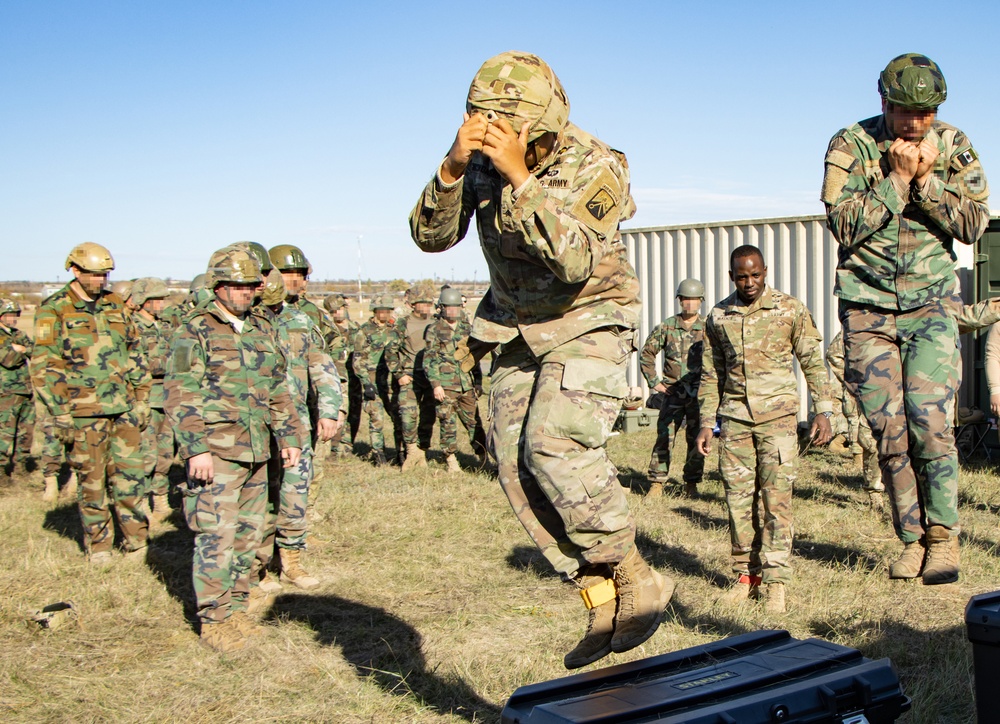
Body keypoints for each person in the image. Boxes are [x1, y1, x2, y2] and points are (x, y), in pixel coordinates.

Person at [409, 51, 673, 669]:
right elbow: (431, 237)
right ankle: (600, 592)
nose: (505, 135)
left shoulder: (596, 163)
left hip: (589, 318)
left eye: (520, 126)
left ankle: (635, 573)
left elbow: (575, 260)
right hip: (514, 326)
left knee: (553, 446)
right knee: (515, 466)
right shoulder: (473, 163)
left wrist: (520, 178)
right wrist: (450, 170)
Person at [822, 53, 990, 585]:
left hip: (931, 304)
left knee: (931, 422)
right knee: (889, 430)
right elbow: (843, 225)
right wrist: (895, 180)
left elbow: (973, 225)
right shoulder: (850, 144)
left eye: (926, 113)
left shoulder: (955, 147)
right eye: (904, 112)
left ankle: (944, 538)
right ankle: (911, 539)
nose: (915, 124)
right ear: (884, 103)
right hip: (867, 305)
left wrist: (926, 184)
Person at [164, 247, 304, 652]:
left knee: (249, 536)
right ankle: (214, 619)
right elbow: (180, 394)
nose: (249, 292)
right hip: (216, 454)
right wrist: (195, 450)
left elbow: (278, 387)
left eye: (252, 285)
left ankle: (238, 609)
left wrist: (289, 437)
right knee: (216, 538)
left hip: (257, 450)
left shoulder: (259, 328)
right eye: (240, 286)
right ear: (218, 286)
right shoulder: (193, 331)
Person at [695, 245, 833, 614]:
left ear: (765, 271)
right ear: (731, 276)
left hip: (778, 421)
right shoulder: (719, 316)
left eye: (756, 274)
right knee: (738, 502)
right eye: (742, 276)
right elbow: (711, 375)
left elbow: (813, 364)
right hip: (736, 420)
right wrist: (707, 423)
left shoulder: (789, 309)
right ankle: (745, 576)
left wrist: (824, 411)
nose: (750, 282)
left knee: (776, 501)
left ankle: (775, 581)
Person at [30, 242, 151, 563]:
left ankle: (136, 542)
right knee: (92, 482)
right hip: (83, 414)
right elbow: (45, 367)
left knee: (130, 479)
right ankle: (99, 546)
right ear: (75, 270)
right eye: (95, 275)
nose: (101, 281)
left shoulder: (115, 304)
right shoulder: (54, 309)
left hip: (124, 409)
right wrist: (61, 414)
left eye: (105, 275)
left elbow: (135, 351)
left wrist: (142, 398)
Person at [252, 270, 342, 593]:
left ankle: (290, 562)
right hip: (258, 428)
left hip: (297, 426)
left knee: (294, 496)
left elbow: (323, 367)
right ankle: (258, 569)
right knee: (261, 498)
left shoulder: (300, 321)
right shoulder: (248, 324)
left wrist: (330, 410)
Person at [639, 278, 706, 498]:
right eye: (685, 299)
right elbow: (647, 353)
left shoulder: (707, 328)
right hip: (672, 393)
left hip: (697, 394)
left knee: (696, 438)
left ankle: (691, 483)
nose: (689, 304)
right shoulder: (667, 327)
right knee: (664, 437)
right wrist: (654, 382)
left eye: (693, 299)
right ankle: (657, 483)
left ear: (700, 301)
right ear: (679, 300)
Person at [423, 286, 487, 472]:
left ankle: (483, 458)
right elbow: (429, 359)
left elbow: (475, 358)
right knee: (447, 422)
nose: (453, 311)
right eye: (449, 307)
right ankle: (451, 460)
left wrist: (478, 382)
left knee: (474, 422)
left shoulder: (467, 328)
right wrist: (436, 385)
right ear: (441, 308)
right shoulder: (434, 329)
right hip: (446, 385)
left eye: (456, 307)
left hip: (466, 384)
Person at [130, 277, 175, 526]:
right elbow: (138, 364)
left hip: (167, 398)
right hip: (145, 399)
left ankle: (161, 500)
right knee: (145, 455)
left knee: (165, 454)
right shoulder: (133, 327)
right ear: (141, 301)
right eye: (155, 299)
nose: (160, 304)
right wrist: (169, 364)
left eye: (162, 299)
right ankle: (142, 502)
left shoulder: (166, 326)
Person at [825, 330, 885, 509]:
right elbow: (833, 354)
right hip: (867, 393)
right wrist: (852, 380)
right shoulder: (857, 324)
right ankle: (875, 496)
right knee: (868, 439)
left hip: (897, 391)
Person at [386, 282, 437, 470]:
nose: (426, 306)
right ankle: (411, 450)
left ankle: (422, 452)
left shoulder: (436, 323)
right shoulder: (402, 324)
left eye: (429, 303)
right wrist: (399, 374)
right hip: (409, 376)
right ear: (412, 304)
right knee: (408, 415)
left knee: (428, 416)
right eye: (422, 302)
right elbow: (390, 352)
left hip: (431, 377)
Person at [352, 294, 399, 466]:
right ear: (374, 311)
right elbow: (357, 361)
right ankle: (379, 454)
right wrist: (366, 383)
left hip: (391, 382)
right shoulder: (364, 331)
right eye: (381, 311)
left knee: (398, 417)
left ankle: (400, 452)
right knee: (376, 419)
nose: (384, 314)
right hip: (372, 381)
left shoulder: (394, 329)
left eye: (387, 311)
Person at [0, 297, 35, 480]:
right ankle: (2, 472)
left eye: (15, 315)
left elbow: (34, 351)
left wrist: (19, 349)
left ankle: (21, 466)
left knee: (26, 431)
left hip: (26, 389)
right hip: (6, 392)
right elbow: (8, 360)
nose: (13, 318)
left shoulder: (19, 334)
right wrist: (20, 350)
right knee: (5, 432)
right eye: (9, 314)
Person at [324, 294, 362, 457]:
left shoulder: (356, 329)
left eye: (339, 309)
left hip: (354, 377)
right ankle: (334, 447)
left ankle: (348, 444)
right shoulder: (328, 331)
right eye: (332, 311)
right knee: (338, 410)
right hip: (336, 377)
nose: (336, 314)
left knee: (355, 410)